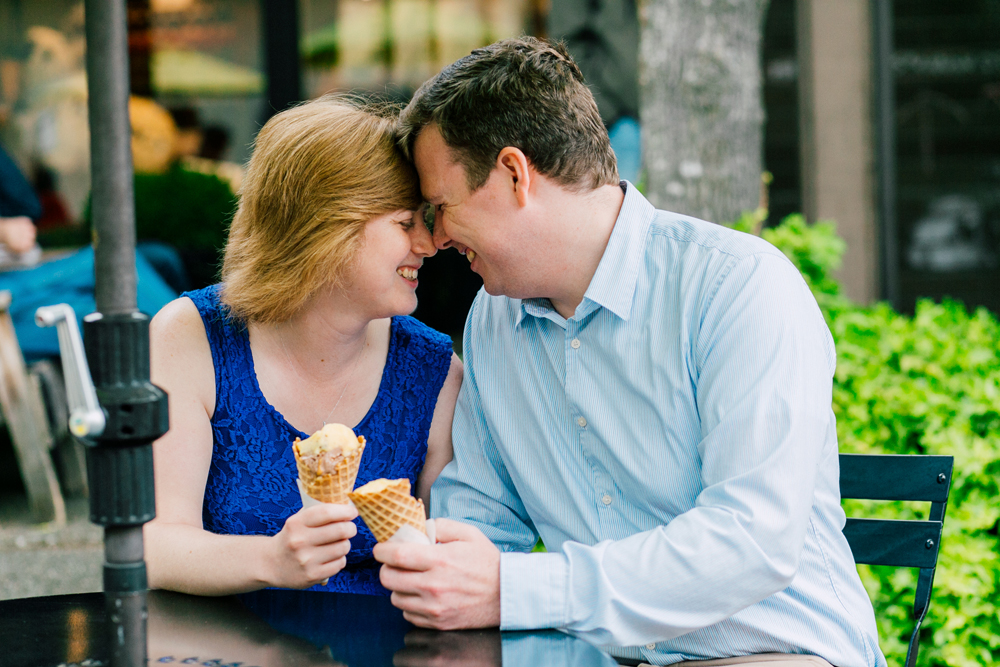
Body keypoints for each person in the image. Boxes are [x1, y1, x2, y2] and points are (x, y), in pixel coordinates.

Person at [373, 38, 887, 667]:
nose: (437, 236)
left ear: (514, 173)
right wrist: (436, 566)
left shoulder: (738, 286)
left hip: (778, 651)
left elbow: (752, 541)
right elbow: (484, 514)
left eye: (441, 206)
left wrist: (514, 590)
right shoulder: (493, 320)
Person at [145, 95, 462, 596]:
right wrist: (269, 560)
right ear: (324, 228)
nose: (428, 243)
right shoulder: (190, 337)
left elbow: (454, 559)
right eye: (405, 223)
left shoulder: (434, 371)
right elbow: (154, 547)